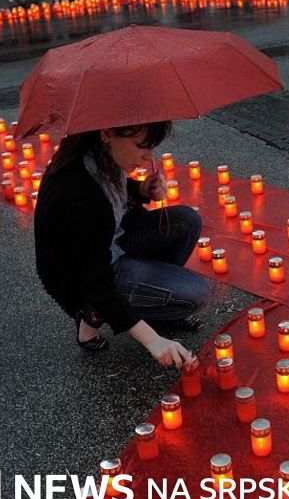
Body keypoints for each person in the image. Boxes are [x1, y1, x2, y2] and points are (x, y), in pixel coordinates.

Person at [33, 121, 210, 370]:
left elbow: (115, 190)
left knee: (186, 221)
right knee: (195, 294)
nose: (149, 156)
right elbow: (96, 282)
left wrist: (142, 190)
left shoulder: (97, 155)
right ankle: (91, 316)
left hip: (110, 242)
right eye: (141, 146)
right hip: (79, 276)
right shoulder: (81, 192)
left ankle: (153, 302)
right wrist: (153, 340)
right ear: (107, 132)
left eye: (152, 147)